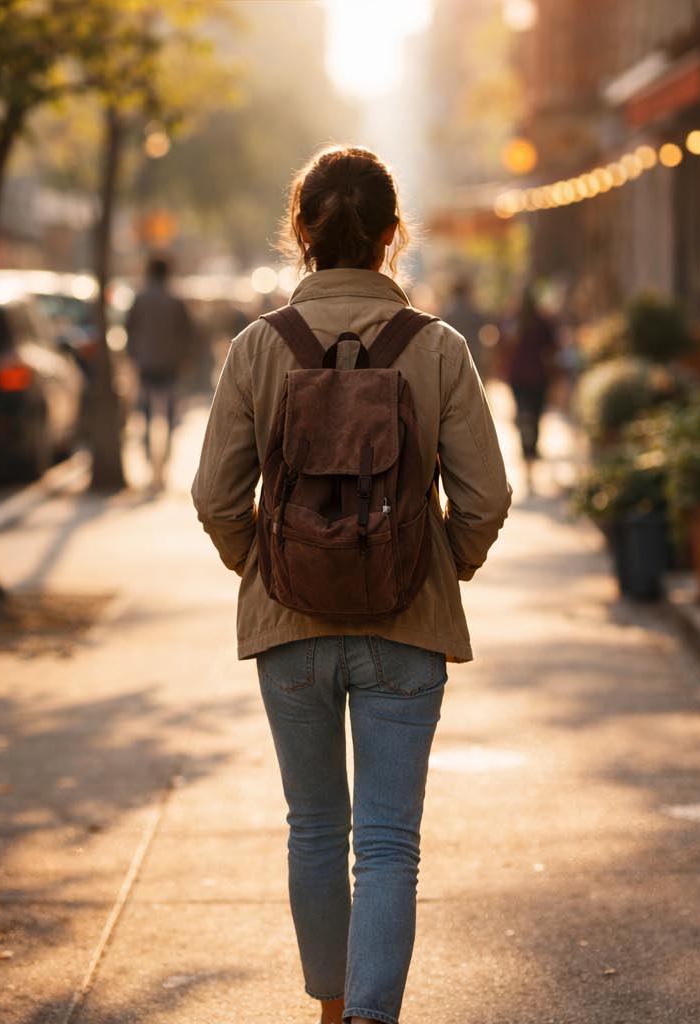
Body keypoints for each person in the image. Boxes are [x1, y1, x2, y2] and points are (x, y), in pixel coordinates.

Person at [192, 145, 511, 1024]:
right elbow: (485, 496)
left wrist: (266, 565)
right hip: (407, 625)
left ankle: (329, 1013)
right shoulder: (438, 349)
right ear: (391, 235)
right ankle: (373, 1017)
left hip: (287, 626)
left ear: (300, 231)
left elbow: (216, 495)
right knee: (387, 843)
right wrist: (443, 565)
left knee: (314, 828)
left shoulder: (259, 348)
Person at [125, 255, 196, 485]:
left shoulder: (139, 299)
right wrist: (185, 360)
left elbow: (129, 330)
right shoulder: (176, 301)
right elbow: (188, 334)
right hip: (170, 365)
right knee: (169, 418)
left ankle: (149, 464)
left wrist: (133, 356)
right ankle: (162, 467)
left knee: (144, 417)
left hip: (145, 364)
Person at [500, 285, 557, 492]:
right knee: (534, 418)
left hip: (518, 376)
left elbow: (501, 346)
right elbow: (553, 349)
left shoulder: (512, 320)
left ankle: (528, 462)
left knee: (524, 417)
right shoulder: (541, 321)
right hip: (538, 376)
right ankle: (530, 459)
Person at [439, 276, 488, 380]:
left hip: (453, 356)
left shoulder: (449, 313)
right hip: (473, 354)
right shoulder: (473, 311)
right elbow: (484, 326)